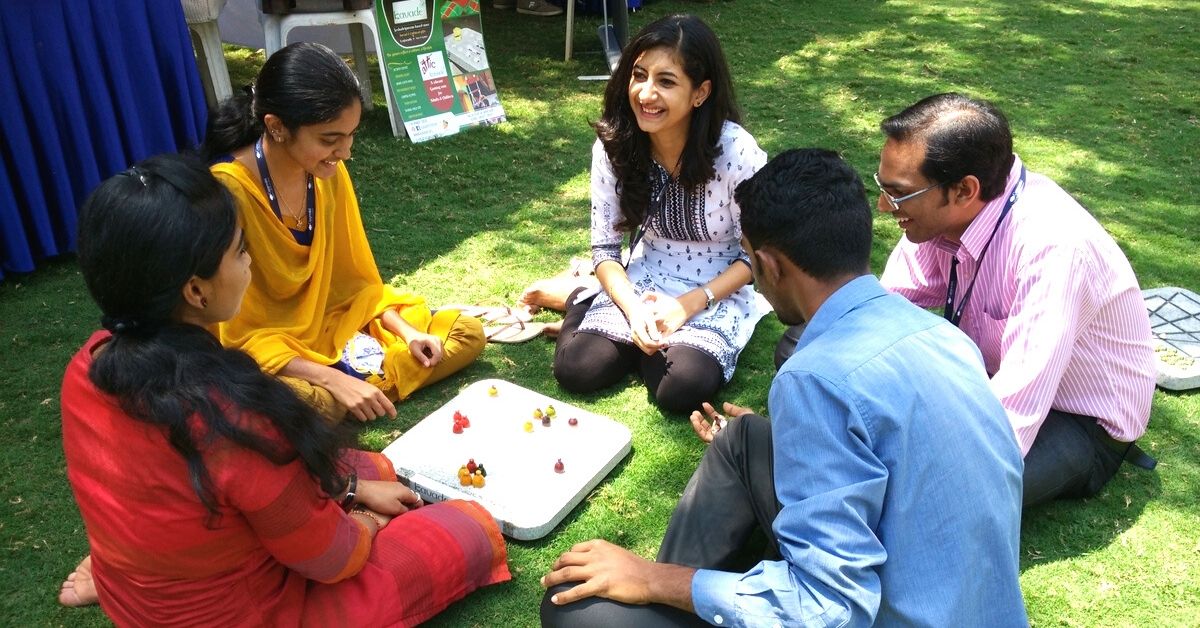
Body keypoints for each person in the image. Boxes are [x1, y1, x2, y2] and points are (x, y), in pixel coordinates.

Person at [539, 149, 1027, 626]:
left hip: (875, 609)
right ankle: (676, 609)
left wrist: (653, 579)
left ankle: (668, 600)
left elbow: (830, 610)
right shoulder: (942, 336)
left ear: (768, 266)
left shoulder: (815, 379)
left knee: (574, 608)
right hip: (959, 598)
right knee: (745, 440)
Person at [57, 154, 509, 624]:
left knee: (370, 467)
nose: (249, 260)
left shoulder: (89, 361)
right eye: (239, 251)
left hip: (143, 588)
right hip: (250, 613)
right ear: (195, 291)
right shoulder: (235, 418)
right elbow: (333, 560)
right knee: (462, 528)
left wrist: (352, 487)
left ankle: (117, 573)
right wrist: (369, 522)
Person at [874, 93, 1157, 508]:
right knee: (818, 344)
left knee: (941, 497)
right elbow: (884, 309)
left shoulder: (1052, 247)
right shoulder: (946, 216)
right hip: (989, 380)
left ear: (964, 191)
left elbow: (1013, 416)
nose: (884, 206)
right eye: (883, 187)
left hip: (1075, 422)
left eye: (897, 194)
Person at [201, 43, 485, 423]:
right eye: (330, 139)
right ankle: (352, 386)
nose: (345, 152)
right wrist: (324, 377)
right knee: (309, 401)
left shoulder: (327, 175)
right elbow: (233, 333)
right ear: (276, 127)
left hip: (336, 329)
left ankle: (355, 387)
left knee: (466, 333)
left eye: (350, 136)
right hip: (268, 353)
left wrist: (407, 333)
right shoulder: (227, 190)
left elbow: (356, 288)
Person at [549, 14, 769, 414]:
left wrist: (688, 305)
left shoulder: (736, 152)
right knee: (576, 369)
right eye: (639, 75)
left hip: (716, 288)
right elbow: (604, 250)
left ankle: (639, 345)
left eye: (666, 82)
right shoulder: (614, 146)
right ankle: (580, 303)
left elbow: (758, 254)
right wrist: (634, 308)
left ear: (700, 93)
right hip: (643, 279)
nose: (646, 94)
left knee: (680, 389)